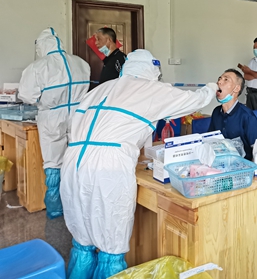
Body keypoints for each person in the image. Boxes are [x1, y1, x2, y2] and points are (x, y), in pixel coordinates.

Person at [60, 50, 217, 279]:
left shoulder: (100, 89)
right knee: (111, 241)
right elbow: (194, 100)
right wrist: (213, 87)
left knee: (82, 239)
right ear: (152, 70)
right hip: (108, 166)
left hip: (73, 161)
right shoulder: (149, 88)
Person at [18, 28, 90, 219]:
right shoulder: (80, 63)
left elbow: (27, 96)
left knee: (53, 162)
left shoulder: (38, 67)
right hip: (78, 116)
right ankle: (78, 205)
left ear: (41, 46)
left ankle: (56, 208)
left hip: (51, 118)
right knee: (77, 158)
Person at [208, 69, 257, 160]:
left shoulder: (247, 116)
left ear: (237, 88)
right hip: (221, 163)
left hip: (243, 165)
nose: (219, 82)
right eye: (219, 79)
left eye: (226, 79)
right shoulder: (216, 112)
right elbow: (210, 140)